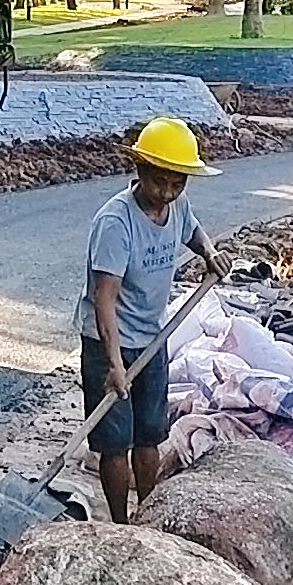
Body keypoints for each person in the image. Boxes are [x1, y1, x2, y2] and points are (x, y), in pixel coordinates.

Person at [78, 115, 224, 524]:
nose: (168, 192)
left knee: (150, 435)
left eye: (178, 183)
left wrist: (209, 253)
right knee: (114, 441)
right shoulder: (115, 223)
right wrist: (114, 364)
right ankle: (121, 524)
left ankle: (148, 515)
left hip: (152, 339)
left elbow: (191, 229)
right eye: (160, 181)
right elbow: (102, 299)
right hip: (108, 341)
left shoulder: (176, 207)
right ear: (140, 170)